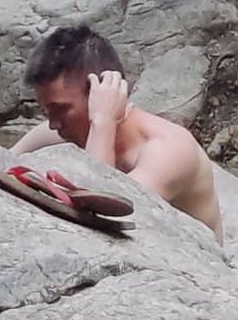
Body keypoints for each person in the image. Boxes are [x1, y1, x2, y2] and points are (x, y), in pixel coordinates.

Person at [25, 19, 221, 234]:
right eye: (46, 111)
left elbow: (101, 217)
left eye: (61, 109)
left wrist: (103, 123)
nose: (53, 124)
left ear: (99, 92)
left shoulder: (168, 150)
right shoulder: (68, 129)